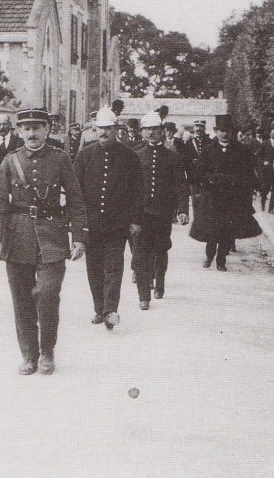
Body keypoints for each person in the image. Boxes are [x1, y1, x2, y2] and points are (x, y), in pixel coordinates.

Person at [0, 108, 88, 375]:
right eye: (26, 128)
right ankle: (29, 355)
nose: (32, 133)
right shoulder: (10, 161)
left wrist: (79, 238)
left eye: (37, 128)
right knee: (21, 299)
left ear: (47, 130)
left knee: (48, 293)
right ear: (19, 131)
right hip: (17, 236)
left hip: (52, 236)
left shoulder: (61, 159)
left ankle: (48, 351)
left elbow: (76, 199)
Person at [73, 107, 143, 328]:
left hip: (117, 224)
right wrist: (78, 224)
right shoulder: (85, 155)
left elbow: (137, 190)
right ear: (95, 129)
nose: (103, 132)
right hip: (92, 225)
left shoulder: (129, 156)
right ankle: (98, 308)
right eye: (100, 128)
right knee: (94, 268)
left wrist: (135, 220)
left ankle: (110, 309)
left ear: (116, 129)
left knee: (114, 267)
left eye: (108, 128)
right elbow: (76, 192)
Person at [131, 111, 190, 304]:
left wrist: (182, 210)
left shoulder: (172, 157)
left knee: (161, 249)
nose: (151, 133)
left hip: (164, 212)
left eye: (155, 129)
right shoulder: (136, 156)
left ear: (162, 131)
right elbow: (128, 187)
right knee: (140, 253)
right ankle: (143, 296)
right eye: (147, 129)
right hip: (141, 213)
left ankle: (160, 280)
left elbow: (181, 185)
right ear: (142, 132)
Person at [190, 114, 260, 270]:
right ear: (215, 131)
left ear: (232, 131)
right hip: (212, 198)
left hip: (232, 197)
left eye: (227, 130)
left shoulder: (241, 150)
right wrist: (210, 178)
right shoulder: (208, 150)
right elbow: (198, 173)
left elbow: (249, 172)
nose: (224, 133)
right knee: (212, 229)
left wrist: (240, 184)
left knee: (227, 231)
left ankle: (221, 260)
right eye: (221, 130)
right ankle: (209, 255)